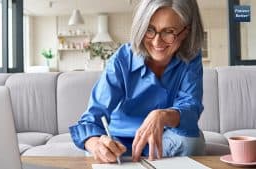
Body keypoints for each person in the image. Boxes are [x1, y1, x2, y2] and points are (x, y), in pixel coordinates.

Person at [69, 0, 205, 163]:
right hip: (119, 143)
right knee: (96, 151)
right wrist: (95, 143)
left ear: (186, 32)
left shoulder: (191, 57)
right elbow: (92, 117)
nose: (156, 42)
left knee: (193, 142)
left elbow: (191, 107)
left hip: (163, 140)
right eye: (149, 30)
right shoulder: (122, 59)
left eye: (169, 31)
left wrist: (163, 115)